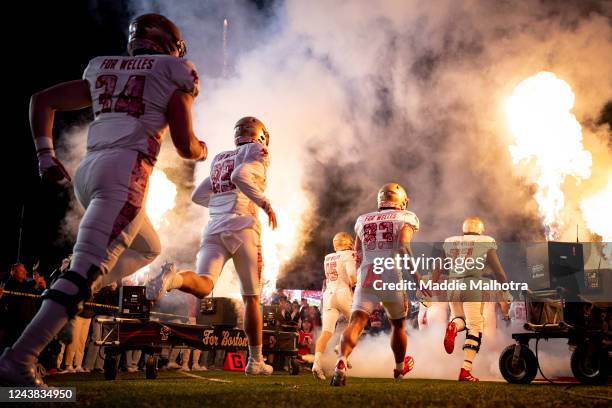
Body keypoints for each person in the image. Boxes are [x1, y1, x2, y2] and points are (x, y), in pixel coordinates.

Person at [0, 13, 207, 387]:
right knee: (82, 274)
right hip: (125, 173)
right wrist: (201, 150)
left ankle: (79, 281)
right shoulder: (175, 70)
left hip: (89, 171)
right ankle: (19, 358)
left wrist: (45, 155)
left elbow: (42, 100)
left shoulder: (102, 66)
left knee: (148, 247)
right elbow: (184, 143)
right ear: (170, 44)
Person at [146, 116, 277, 376]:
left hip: (215, 225)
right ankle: (255, 361)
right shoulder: (258, 150)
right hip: (243, 226)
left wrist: (222, 208)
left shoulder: (220, 157)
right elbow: (241, 176)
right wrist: (264, 203)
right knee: (251, 298)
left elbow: (199, 195)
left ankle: (173, 279)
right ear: (260, 135)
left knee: (204, 285)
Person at [331, 183, 429, 386]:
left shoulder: (362, 220)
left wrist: (357, 277)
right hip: (390, 273)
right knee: (398, 325)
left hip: (367, 273)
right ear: (401, 200)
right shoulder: (406, 217)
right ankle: (400, 369)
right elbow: (403, 245)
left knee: (356, 322)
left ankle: (341, 361)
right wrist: (417, 277)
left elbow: (357, 253)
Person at [434, 216, 510, 382]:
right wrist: (506, 291)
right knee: (475, 327)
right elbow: (499, 272)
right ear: (481, 230)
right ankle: (465, 370)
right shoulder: (485, 242)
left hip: (453, 286)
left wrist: (431, 284)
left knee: (459, 319)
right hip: (472, 285)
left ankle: (453, 326)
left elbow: (438, 266)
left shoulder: (451, 242)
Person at [312, 232, 357, 381]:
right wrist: (357, 286)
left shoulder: (328, 257)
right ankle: (341, 347)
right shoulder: (349, 254)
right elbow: (351, 275)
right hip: (343, 291)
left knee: (326, 332)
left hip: (329, 294)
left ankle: (316, 365)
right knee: (359, 323)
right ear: (348, 242)